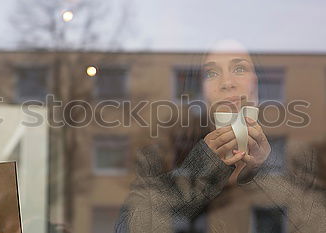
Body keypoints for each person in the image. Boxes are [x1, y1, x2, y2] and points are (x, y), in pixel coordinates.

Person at [114, 40, 326, 233]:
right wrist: (200, 173)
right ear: (201, 90)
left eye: (240, 68)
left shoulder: (298, 154)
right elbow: (130, 227)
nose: (227, 82)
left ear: (257, 83)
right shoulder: (162, 153)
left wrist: (264, 170)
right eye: (211, 73)